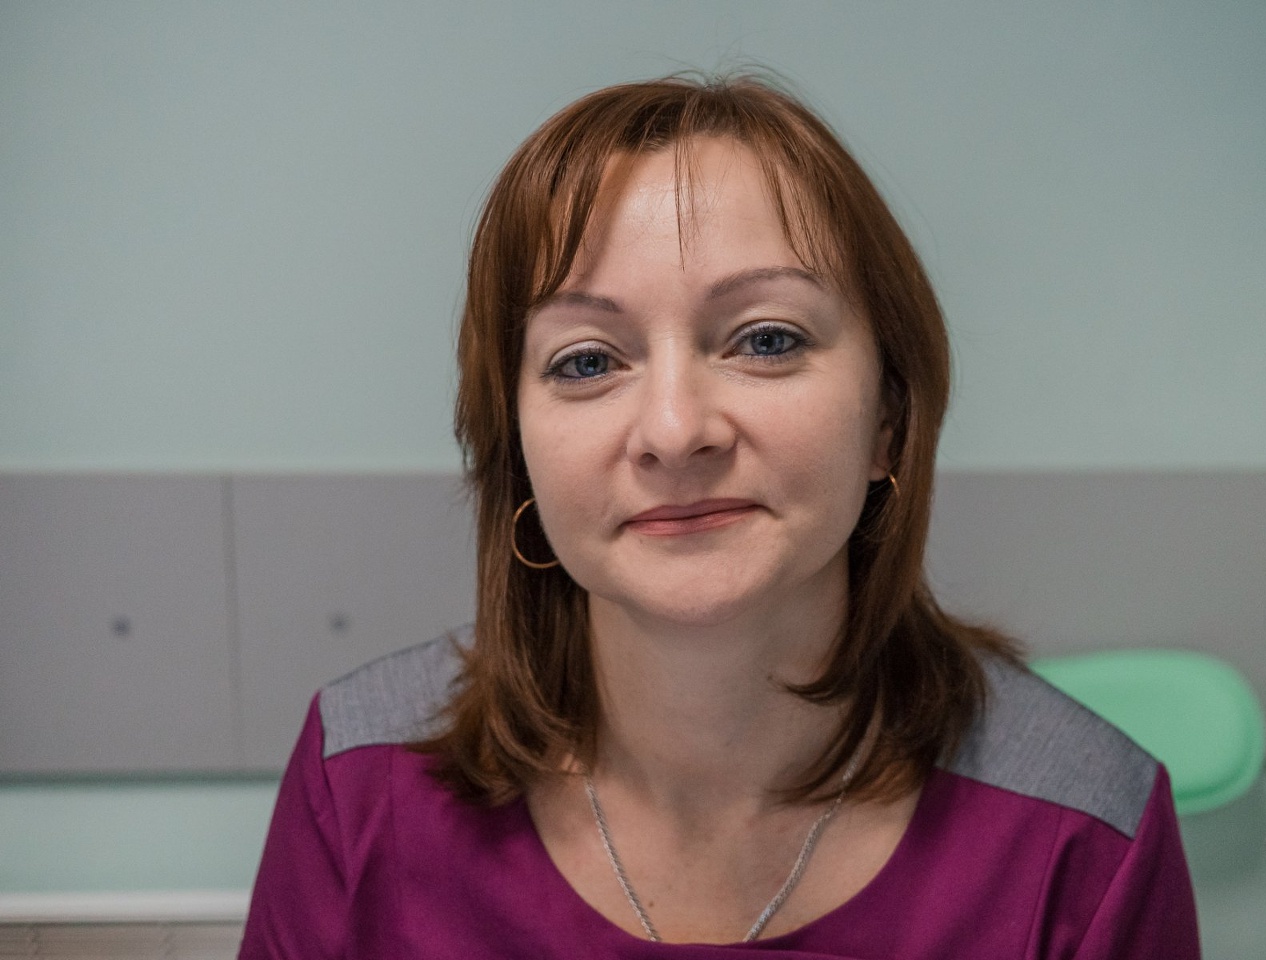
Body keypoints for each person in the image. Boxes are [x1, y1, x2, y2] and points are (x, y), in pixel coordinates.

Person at [238, 70, 1201, 959]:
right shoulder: (358, 780)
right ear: (515, 449)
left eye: (765, 340)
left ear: (889, 421)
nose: (674, 431)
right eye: (586, 360)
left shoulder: (1084, 833)